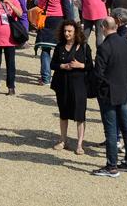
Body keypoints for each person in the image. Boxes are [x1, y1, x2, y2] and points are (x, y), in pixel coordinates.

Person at [91, 16, 127, 178]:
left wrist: (101, 89)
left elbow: (99, 74)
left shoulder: (104, 47)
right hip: (123, 91)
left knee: (110, 130)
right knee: (126, 127)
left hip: (109, 94)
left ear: (103, 28)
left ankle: (112, 166)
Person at [51, 20, 90, 154]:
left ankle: (79, 144)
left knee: (80, 115)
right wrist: (62, 66)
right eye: (65, 31)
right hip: (62, 84)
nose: (67, 33)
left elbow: (91, 66)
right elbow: (52, 64)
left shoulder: (84, 47)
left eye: (70, 31)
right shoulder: (59, 46)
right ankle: (63, 140)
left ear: (76, 32)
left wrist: (81, 65)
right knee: (63, 113)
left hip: (79, 85)